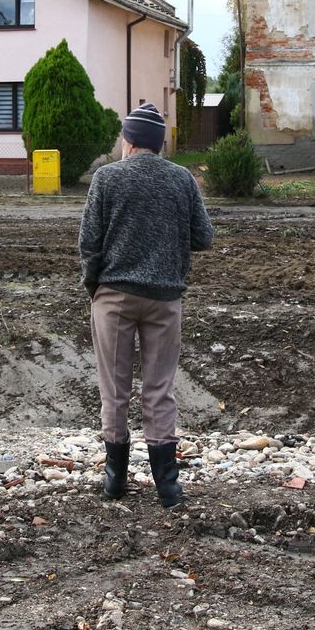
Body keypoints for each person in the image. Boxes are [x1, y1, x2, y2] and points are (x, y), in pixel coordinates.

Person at [78, 102, 213, 507]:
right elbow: (203, 237)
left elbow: (89, 243)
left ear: (130, 140)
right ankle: (167, 486)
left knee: (114, 390)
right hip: (165, 299)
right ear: (158, 144)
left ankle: (114, 480)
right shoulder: (182, 179)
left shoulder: (107, 178)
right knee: (160, 389)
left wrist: (95, 288)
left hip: (114, 297)